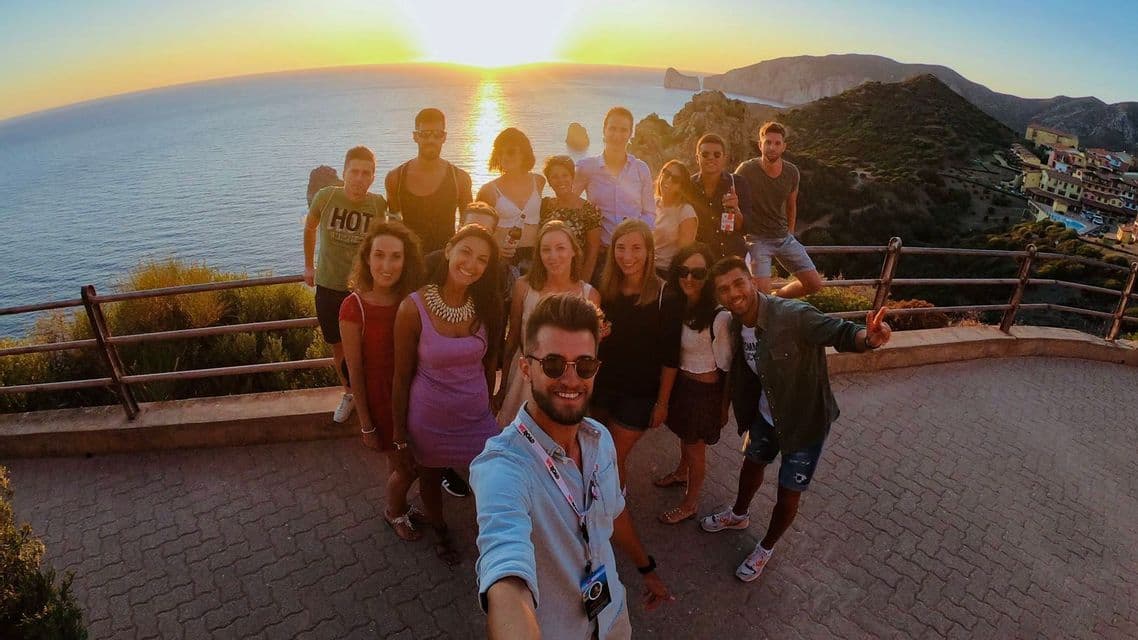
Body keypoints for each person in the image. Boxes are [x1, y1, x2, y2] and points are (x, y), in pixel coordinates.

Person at [471, 294, 672, 640]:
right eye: (552, 364)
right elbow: (504, 565)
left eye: (584, 365)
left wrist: (646, 568)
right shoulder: (503, 465)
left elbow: (615, 513)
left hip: (611, 617)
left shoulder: (600, 439)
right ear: (525, 367)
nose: (570, 380)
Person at [701, 256, 892, 583]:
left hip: (805, 423)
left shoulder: (792, 315)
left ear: (751, 280)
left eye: (737, 283)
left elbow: (841, 332)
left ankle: (766, 547)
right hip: (764, 416)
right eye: (724, 289)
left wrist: (869, 338)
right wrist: (726, 408)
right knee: (751, 467)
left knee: (788, 493)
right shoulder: (734, 322)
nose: (733, 293)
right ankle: (739, 514)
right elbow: (740, 373)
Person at [391, 224, 504, 565]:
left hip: (477, 416)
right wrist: (399, 435)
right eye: (466, 251)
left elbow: (490, 362)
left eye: (482, 259)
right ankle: (440, 530)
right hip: (430, 418)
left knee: (492, 474)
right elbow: (400, 376)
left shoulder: (488, 304)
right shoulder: (413, 307)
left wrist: (490, 404)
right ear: (450, 248)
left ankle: (496, 533)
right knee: (430, 475)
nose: (472, 263)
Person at [338, 222, 425, 541]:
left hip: (415, 395)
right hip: (381, 401)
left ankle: (399, 502)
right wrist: (365, 423)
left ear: (407, 261)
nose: (386, 266)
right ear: (366, 258)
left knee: (401, 461)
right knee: (407, 467)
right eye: (379, 255)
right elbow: (355, 371)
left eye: (395, 257)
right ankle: (393, 512)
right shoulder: (353, 306)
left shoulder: (412, 299)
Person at [592, 219, 683, 486]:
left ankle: (612, 513)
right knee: (592, 454)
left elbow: (670, 357)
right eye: (620, 248)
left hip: (640, 394)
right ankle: (594, 507)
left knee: (611, 458)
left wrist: (662, 404)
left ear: (649, 252)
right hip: (602, 386)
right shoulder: (605, 289)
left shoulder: (667, 296)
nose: (627, 256)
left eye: (636, 248)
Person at [304, 145, 388, 423]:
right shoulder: (326, 197)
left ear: (373, 177)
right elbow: (310, 227)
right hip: (328, 286)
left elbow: (383, 243)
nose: (359, 178)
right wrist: (308, 266)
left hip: (363, 290)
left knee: (369, 345)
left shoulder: (378, 205)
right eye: (354, 172)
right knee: (338, 346)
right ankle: (350, 393)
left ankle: (371, 395)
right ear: (344, 173)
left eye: (366, 173)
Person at [652, 243, 732, 525]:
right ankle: (681, 471)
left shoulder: (719, 316)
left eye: (697, 273)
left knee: (696, 448)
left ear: (708, 276)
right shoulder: (680, 304)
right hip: (682, 387)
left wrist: (723, 408)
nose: (689, 278)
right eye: (683, 271)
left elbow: (728, 367)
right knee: (684, 438)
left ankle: (691, 503)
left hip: (703, 394)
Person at [494, 221, 601, 426]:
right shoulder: (523, 287)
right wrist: (502, 387)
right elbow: (513, 338)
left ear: (573, 251)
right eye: (546, 250)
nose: (553, 256)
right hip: (523, 377)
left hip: (564, 380)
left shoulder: (590, 295)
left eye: (560, 248)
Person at [734, 122, 823, 298]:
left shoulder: (792, 172)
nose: (771, 147)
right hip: (756, 240)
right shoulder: (746, 170)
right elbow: (732, 201)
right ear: (760, 145)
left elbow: (791, 205)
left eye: (777, 143)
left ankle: (776, 299)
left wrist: (790, 233)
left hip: (783, 238)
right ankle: (768, 303)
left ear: (784, 147)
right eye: (767, 142)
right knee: (762, 296)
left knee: (814, 284)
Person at [573, 107, 655, 283]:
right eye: (612, 128)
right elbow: (570, 203)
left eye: (623, 130)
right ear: (604, 130)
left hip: (632, 257)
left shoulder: (641, 169)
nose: (617, 135)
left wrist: (634, 231)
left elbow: (650, 213)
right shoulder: (587, 167)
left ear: (630, 133)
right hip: (600, 255)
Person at [385, 108, 474, 254]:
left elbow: (468, 227)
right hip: (409, 262)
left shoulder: (460, 179)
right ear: (415, 136)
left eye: (437, 134)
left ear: (444, 137)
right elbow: (393, 226)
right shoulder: (396, 178)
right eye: (425, 134)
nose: (431, 140)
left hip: (445, 263)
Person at [477, 127, 544, 273]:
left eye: (511, 151)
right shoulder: (488, 190)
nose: (505, 157)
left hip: (535, 260)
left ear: (524, 153)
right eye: (500, 153)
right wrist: (496, 250)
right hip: (503, 262)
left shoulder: (539, 182)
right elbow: (477, 231)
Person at [539, 155, 602, 281]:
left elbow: (593, 250)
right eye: (554, 177)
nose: (560, 180)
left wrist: (583, 282)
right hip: (548, 273)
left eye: (565, 175)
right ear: (549, 182)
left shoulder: (588, 209)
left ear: (572, 177)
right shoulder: (544, 205)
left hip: (576, 275)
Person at [690, 133, 751, 260]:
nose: (711, 158)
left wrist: (735, 210)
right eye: (705, 154)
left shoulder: (738, 183)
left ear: (724, 158)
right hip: (701, 261)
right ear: (697, 158)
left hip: (731, 258)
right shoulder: (689, 186)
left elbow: (745, 228)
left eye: (717, 154)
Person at [652, 160, 698, 277]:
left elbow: (684, 254)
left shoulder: (685, 212)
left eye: (675, 179)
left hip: (666, 272)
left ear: (682, 186)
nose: (668, 180)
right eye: (666, 174)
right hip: (645, 267)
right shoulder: (652, 203)